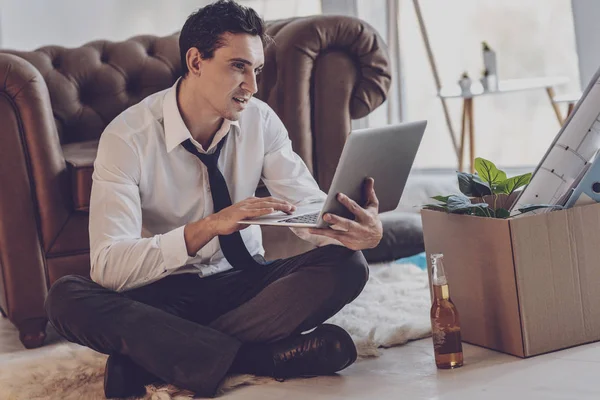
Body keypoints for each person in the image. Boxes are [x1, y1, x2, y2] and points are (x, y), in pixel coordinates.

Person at [44, 1, 383, 398]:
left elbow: (307, 207)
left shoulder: (260, 120)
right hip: (162, 292)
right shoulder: (127, 138)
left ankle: (154, 355)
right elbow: (108, 268)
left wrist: (349, 229)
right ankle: (258, 359)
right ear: (195, 61)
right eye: (238, 66)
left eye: (256, 70)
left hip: (245, 285)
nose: (252, 86)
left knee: (346, 265)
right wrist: (206, 228)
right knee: (66, 298)